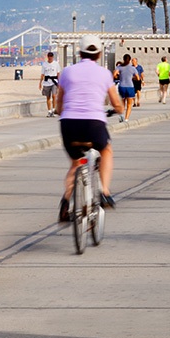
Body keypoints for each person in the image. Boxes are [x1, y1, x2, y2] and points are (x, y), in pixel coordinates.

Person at [55, 34, 124, 220]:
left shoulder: (67, 72)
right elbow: (116, 103)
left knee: (75, 162)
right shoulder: (104, 73)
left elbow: (59, 103)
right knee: (106, 150)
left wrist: (61, 111)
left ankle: (65, 202)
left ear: (80, 53)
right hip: (94, 124)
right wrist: (117, 109)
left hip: (69, 124)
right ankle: (105, 192)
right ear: (99, 54)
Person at [113, 54, 138, 121]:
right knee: (129, 104)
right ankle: (126, 119)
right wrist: (133, 78)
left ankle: (121, 116)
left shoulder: (119, 67)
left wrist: (118, 77)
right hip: (130, 86)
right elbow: (138, 78)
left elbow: (114, 75)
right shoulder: (132, 68)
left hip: (122, 86)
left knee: (122, 103)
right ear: (130, 60)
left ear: (123, 59)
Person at [38, 51, 60, 117]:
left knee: (54, 95)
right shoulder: (44, 64)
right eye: (49, 57)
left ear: (53, 57)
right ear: (47, 57)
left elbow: (58, 73)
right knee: (48, 97)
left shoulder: (56, 64)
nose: (50, 59)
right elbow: (42, 74)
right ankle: (49, 111)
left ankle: (53, 110)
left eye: (51, 57)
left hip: (54, 81)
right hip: (47, 82)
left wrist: (59, 82)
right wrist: (40, 83)